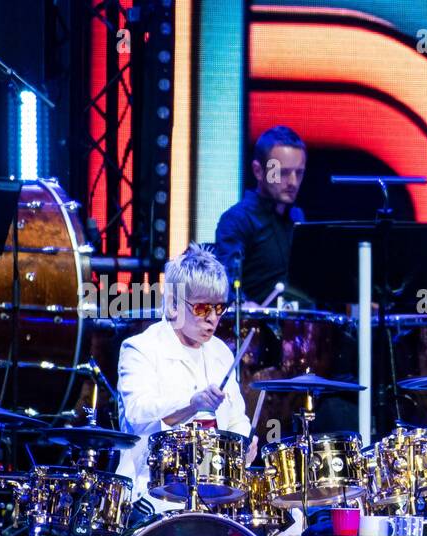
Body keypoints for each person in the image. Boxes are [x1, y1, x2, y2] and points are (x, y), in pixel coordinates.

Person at [116, 244, 256, 515]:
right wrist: (192, 403)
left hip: (215, 487)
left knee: (290, 520)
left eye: (219, 308)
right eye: (202, 308)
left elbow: (237, 417)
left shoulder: (221, 352)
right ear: (173, 304)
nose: (213, 319)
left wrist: (242, 443)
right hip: (154, 490)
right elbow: (137, 412)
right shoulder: (140, 348)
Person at [213, 125, 308, 305]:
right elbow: (226, 284)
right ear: (258, 171)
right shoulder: (237, 219)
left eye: (299, 173)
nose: (293, 182)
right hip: (256, 328)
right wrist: (244, 305)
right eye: (283, 172)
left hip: (297, 325)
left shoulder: (298, 217)